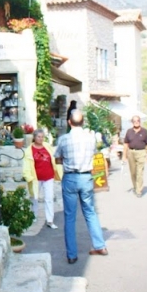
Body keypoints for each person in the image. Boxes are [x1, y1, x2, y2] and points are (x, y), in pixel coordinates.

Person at [54, 107, 108, 264]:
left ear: (69, 122)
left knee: (70, 217)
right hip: (86, 177)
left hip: (70, 177)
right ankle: (100, 245)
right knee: (90, 212)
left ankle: (72, 254)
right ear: (83, 122)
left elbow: (57, 158)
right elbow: (93, 155)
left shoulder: (63, 139)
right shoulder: (91, 138)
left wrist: (66, 161)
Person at [23, 129, 63, 229]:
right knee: (35, 198)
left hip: (49, 176)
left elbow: (54, 158)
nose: (40, 139)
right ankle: (33, 216)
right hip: (36, 178)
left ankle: (50, 220)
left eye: (42, 137)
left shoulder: (47, 146)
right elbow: (26, 165)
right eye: (38, 136)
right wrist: (28, 176)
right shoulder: (29, 150)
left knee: (49, 198)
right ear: (34, 137)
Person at [122, 115, 147, 197]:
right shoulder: (129, 131)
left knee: (140, 172)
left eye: (138, 120)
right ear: (132, 122)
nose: (136, 122)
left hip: (141, 152)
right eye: (134, 121)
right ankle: (135, 186)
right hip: (131, 152)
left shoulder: (144, 131)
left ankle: (139, 190)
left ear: (140, 121)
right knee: (133, 172)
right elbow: (125, 144)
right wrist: (124, 156)